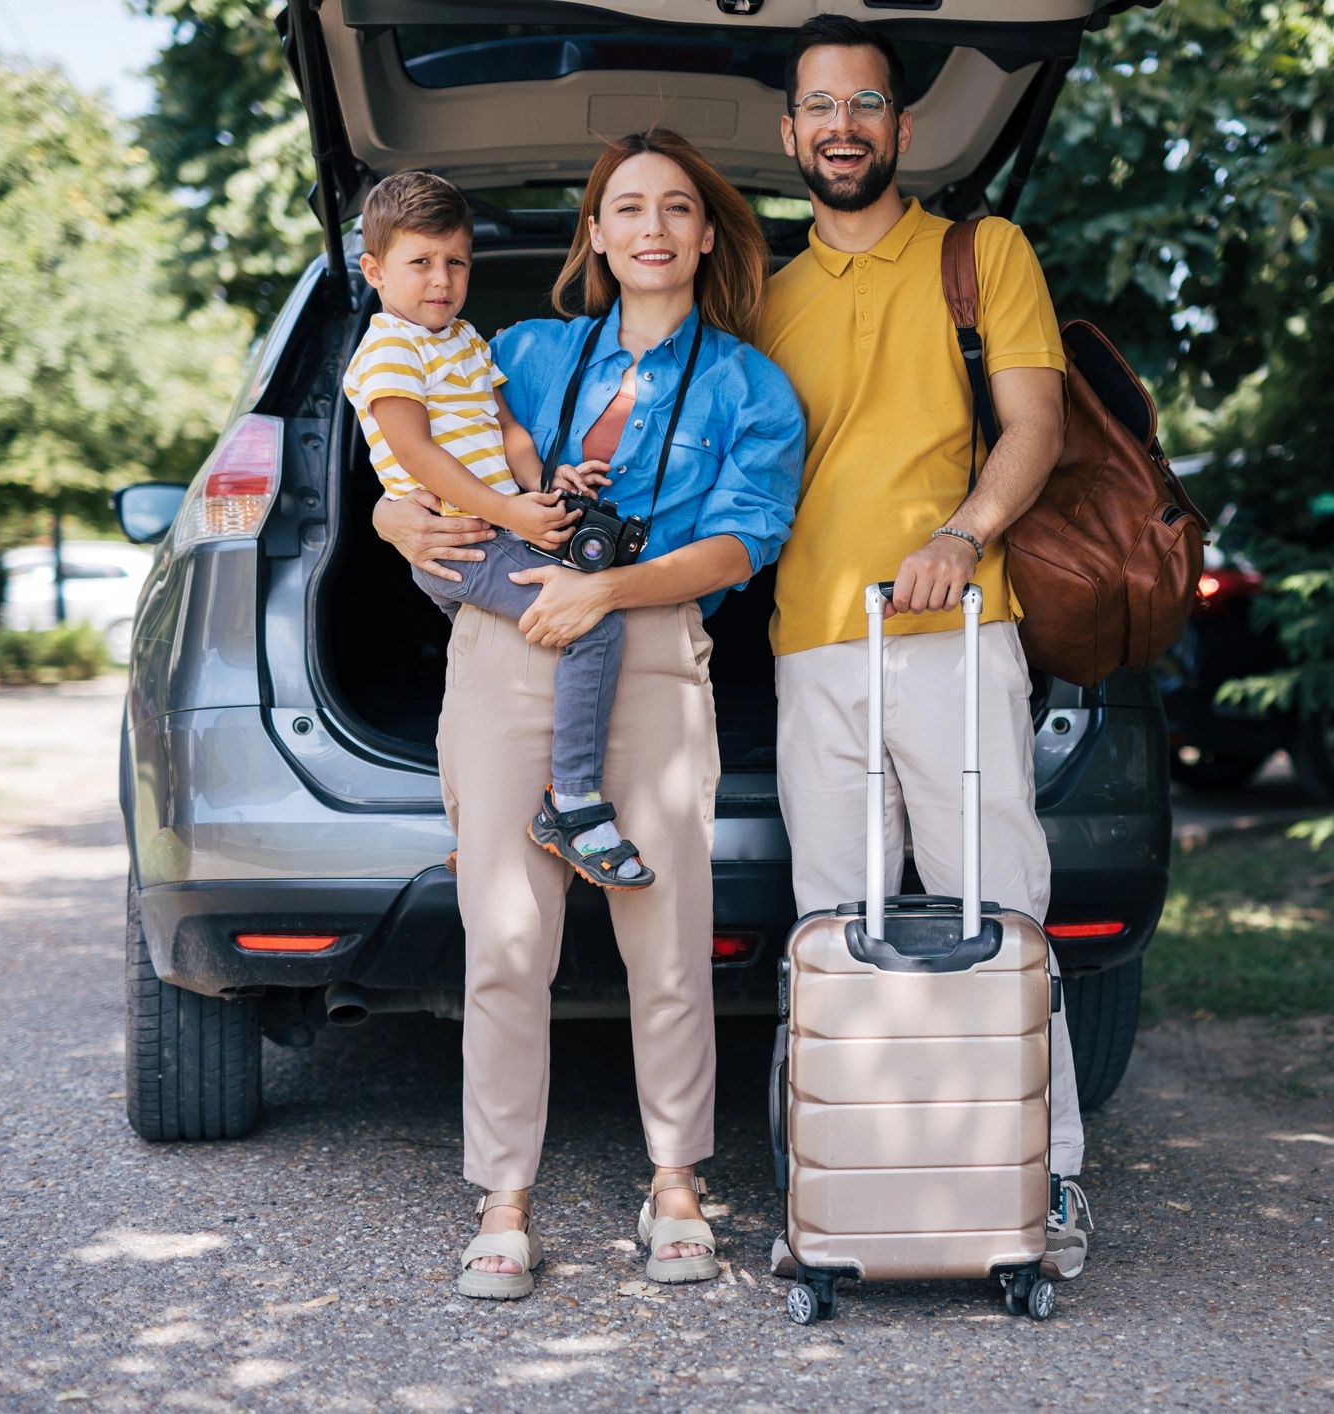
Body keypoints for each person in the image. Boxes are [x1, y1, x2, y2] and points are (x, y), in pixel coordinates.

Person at [371, 130, 803, 1301]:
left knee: (665, 943)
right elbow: (415, 443)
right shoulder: (520, 349)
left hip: (651, 651)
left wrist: (606, 588)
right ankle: (502, 1198)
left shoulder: (749, 384)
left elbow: (744, 538)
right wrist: (388, 520)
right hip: (506, 651)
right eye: (626, 207)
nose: (652, 226)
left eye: (676, 207)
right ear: (597, 235)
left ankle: (674, 1185)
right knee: (508, 941)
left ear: (705, 233)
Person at [758, 15, 1094, 1280]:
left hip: (957, 636)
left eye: (863, 106)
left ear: (897, 127)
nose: (841, 128)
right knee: (835, 927)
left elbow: (1034, 424)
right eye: (819, 109)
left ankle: (1043, 1182)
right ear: (790, 136)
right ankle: (834, 1198)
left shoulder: (978, 253)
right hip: (814, 651)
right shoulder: (762, 298)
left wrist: (962, 532)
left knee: (999, 913)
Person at [343, 170, 654, 889]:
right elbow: (416, 451)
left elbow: (508, 431)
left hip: (494, 527)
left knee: (504, 672)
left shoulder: (466, 343)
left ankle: (481, 829)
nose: (441, 280)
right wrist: (509, 511)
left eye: (455, 262)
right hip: (463, 539)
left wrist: (545, 484)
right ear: (374, 270)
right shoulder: (390, 350)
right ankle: (571, 804)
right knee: (592, 629)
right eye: (419, 263)